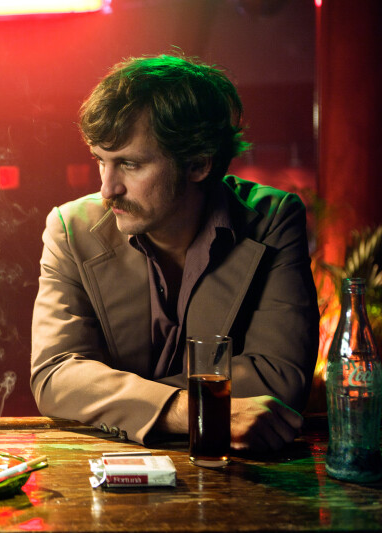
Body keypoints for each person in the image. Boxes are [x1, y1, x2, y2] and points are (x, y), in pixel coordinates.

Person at [30, 55, 319, 452]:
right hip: (105, 465)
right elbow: (55, 375)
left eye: (130, 164)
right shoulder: (71, 228)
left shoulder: (273, 220)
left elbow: (280, 379)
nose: (108, 188)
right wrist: (185, 408)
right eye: (101, 161)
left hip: (232, 472)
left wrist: (108, 396)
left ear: (198, 164)